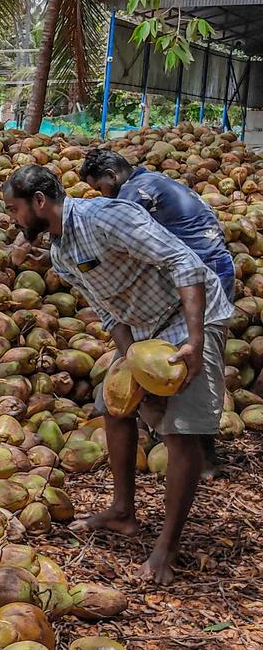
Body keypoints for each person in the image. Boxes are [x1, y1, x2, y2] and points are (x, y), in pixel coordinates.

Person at [3, 165, 233, 585]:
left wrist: (196, 339)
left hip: (189, 318)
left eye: (13, 209)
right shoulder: (60, 251)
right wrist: (131, 361)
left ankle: (167, 547)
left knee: (182, 431)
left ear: (39, 202)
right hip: (144, 328)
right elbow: (109, 311)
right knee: (113, 405)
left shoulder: (106, 217)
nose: (13, 219)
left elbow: (185, 263)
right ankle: (123, 512)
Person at [79, 149, 234, 478]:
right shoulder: (153, 181)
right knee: (173, 362)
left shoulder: (135, 194)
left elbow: (121, 243)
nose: (101, 195)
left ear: (111, 175)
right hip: (207, 269)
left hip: (200, 275)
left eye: (100, 188)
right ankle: (173, 437)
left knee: (191, 366)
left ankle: (199, 455)